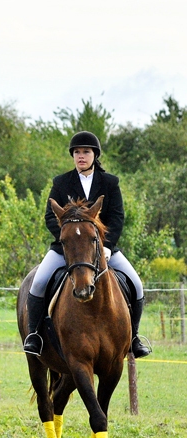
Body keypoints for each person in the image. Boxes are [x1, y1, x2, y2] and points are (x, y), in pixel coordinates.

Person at [23, 131, 150, 358]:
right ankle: (34, 335)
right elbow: (50, 217)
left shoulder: (110, 183)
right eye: (77, 152)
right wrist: (69, 239)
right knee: (39, 282)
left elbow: (117, 217)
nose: (81, 156)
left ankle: (134, 338)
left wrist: (107, 245)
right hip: (68, 248)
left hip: (103, 248)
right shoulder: (61, 182)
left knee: (137, 284)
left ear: (94, 155)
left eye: (86, 152)